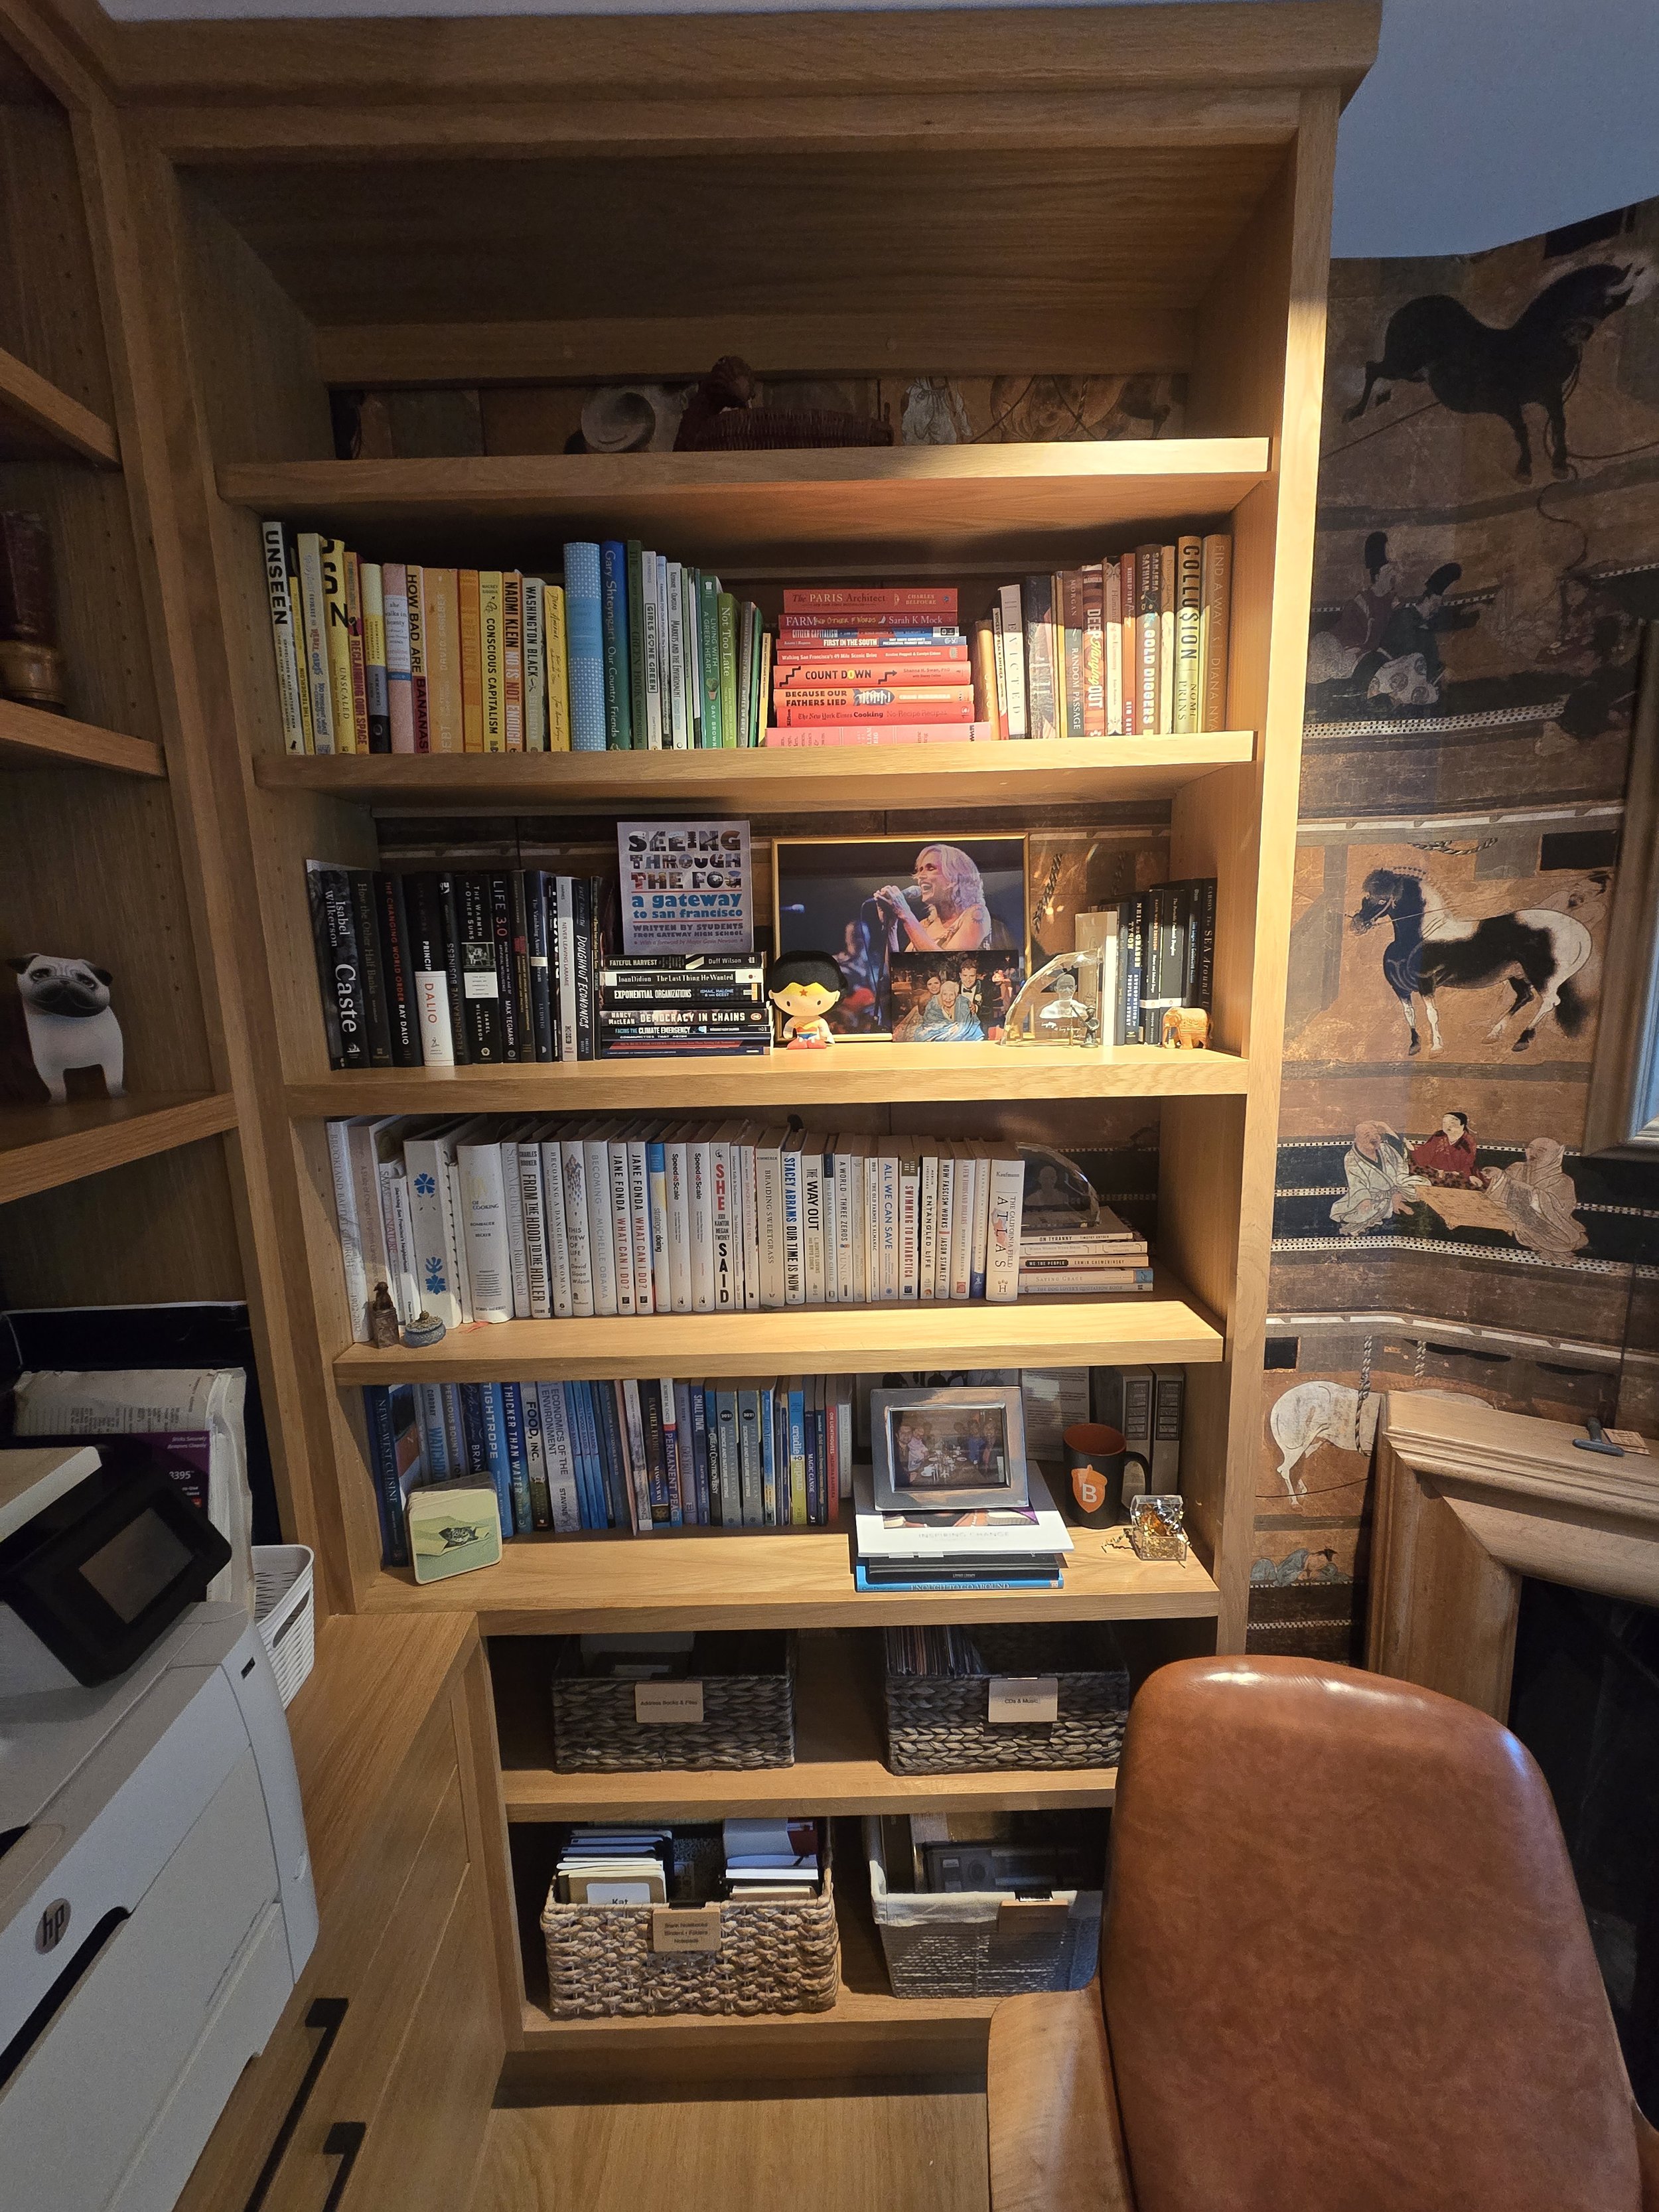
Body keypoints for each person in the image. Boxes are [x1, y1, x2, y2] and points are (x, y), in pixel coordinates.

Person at [874, 844, 995, 954]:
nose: (920, 877)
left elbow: (947, 966)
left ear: (954, 877)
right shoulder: (925, 925)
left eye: (930, 868)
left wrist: (905, 913)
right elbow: (895, 971)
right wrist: (891, 926)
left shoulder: (977, 914)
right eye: (920, 870)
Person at [1483, 1136, 1587, 1256]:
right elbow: (1501, 1189)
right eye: (1531, 1148)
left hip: (1546, 1225)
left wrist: (1529, 1191)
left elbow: (1561, 1210)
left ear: (1556, 1155)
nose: (1533, 1153)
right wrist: (1497, 1175)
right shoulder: (1517, 1167)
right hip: (1510, 1213)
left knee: (1561, 1241)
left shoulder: (1563, 1181)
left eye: (1541, 1151)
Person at [1330, 1120, 1427, 1235]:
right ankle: (1394, 1203)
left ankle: (1396, 1200)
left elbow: (1400, 1161)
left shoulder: (1385, 1148)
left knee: (1421, 1184)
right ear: (1357, 1140)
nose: (1374, 1138)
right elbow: (1355, 1181)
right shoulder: (1351, 1158)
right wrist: (1364, 1199)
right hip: (1374, 1195)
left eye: (1376, 1134)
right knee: (1360, 1213)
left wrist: (1397, 1189)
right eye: (1367, 1135)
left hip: (1397, 1186)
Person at [895, 973, 985, 1042]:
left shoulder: (957, 998)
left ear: (941, 984)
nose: (934, 987)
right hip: (922, 1020)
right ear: (927, 986)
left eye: (936, 983)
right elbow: (925, 1017)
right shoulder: (925, 1000)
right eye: (930, 984)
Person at [1409, 1110, 1480, 1186]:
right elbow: (1426, 1152)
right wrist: (1413, 1148)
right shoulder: (1439, 1136)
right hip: (1433, 1171)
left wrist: (1470, 1176)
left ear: (1462, 1125)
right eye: (1445, 1123)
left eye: (1452, 1123)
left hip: (1456, 1175)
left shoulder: (1468, 1141)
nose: (1447, 1126)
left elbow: (1468, 1163)